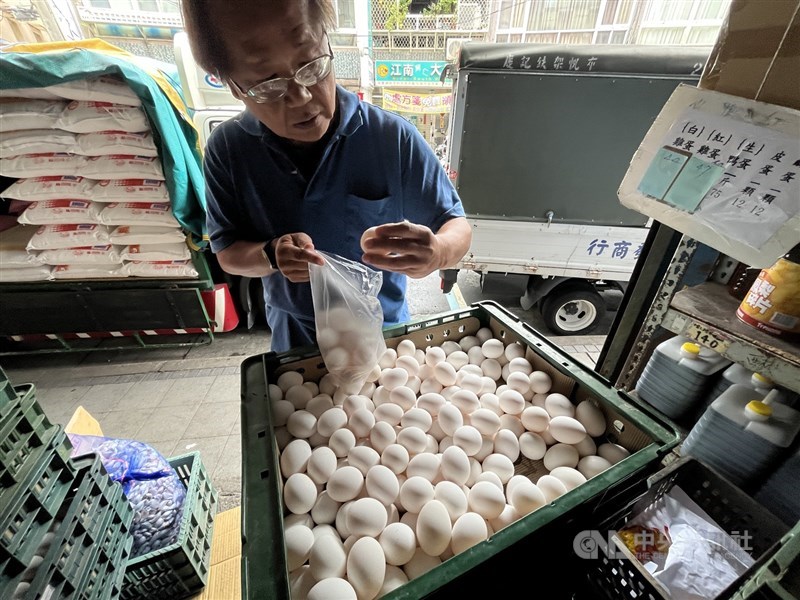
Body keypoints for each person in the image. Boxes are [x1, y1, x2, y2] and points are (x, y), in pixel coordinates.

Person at [182, 0, 472, 352]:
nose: (302, 97)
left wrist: (438, 251)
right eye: (269, 85)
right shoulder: (228, 151)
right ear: (233, 86)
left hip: (384, 333)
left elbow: (456, 224)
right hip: (294, 339)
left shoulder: (391, 138)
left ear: (327, 43)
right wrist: (271, 255)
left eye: (312, 66)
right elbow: (227, 250)